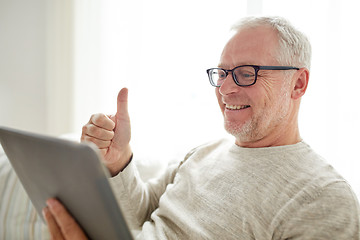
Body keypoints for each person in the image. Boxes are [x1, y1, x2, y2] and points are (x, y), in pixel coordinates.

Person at [42, 16, 360, 239]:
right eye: (222, 73)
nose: (225, 89)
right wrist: (118, 159)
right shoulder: (203, 153)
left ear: (298, 83)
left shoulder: (323, 197)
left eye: (246, 73)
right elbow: (139, 216)